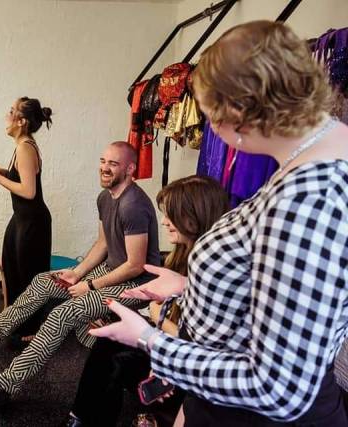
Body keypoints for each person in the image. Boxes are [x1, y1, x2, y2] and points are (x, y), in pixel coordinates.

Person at [90, 21, 348, 427]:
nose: (211, 130)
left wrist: (148, 339)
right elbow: (274, 291)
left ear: (239, 110)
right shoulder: (315, 155)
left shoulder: (308, 197)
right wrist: (191, 286)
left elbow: (277, 388)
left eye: (210, 116)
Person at [0, 141, 161, 404]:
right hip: (111, 270)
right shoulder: (105, 197)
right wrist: (77, 273)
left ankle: (4, 385)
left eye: (113, 163)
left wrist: (91, 285)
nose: (104, 168)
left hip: (137, 284)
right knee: (43, 281)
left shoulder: (134, 205)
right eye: (102, 161)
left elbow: (135, 265)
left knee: (63, 313)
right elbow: (103, 244)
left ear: (130, 169)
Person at [63, 175, 229, 427]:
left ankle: (88, 418)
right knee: (107, 341)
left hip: (191, 364)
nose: (164, 222)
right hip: (171, 341)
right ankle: (80, 417)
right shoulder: (181, 256)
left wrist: (155, 320)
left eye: (171, 215)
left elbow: (199, 344)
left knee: (116, 363)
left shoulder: (213, 269)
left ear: (194, 217)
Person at [0, 96, 53, 342]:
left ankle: (30, 329)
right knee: (6, 264)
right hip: (22, 219)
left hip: (33, 221)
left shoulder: (25, 147)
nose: (7, 115)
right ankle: (10, 317)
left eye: (11, 111)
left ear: (22, 121)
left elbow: (29, 191)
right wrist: (3, 171)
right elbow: (23, 177)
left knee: (28, 275)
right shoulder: (22, 145)